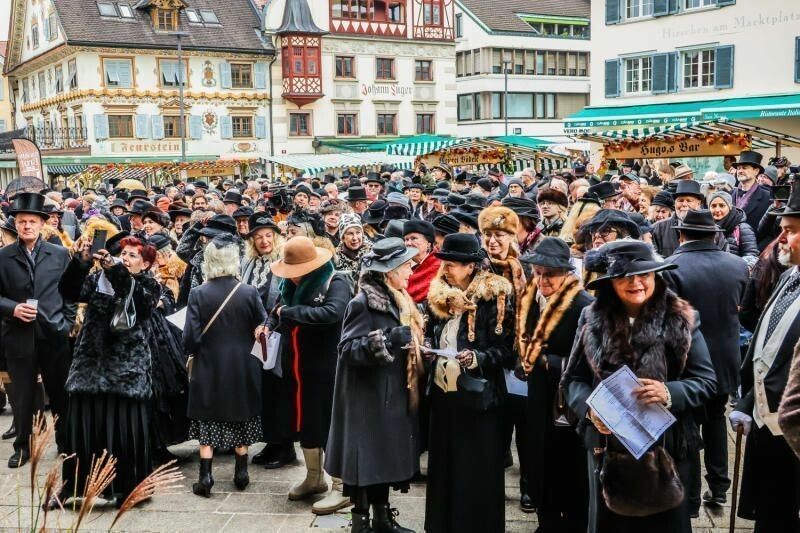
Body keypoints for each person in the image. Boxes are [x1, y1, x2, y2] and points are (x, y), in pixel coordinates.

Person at [563, 240, 716, 533]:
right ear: (611, 282)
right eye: (626, 276)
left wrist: (670, 392)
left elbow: (706, 381)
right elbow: (573, 381)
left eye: (644, 274)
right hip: (607, 449)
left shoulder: (681, 318)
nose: (637, 283)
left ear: (656, 276)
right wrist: (591, 410)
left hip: (667, 448)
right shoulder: (591, 317)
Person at [55, 236, 160, 507]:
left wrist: (114, 268)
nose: (125, 258)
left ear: (145, 264)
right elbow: (68, 291)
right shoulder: (96, 280)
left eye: (133, 256)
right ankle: (70, 489)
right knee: (81, 432)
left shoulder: (148, 284)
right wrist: (82, 261)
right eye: (123, 253)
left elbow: (136, 299)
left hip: (126, 371)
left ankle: (129, 490)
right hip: (90, 366)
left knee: (124, 433)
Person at [324, 238, 422, 530]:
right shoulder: (363, 302)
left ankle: (381, 518)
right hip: (365, 398)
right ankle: (361, 522)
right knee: (364, 462)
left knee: (382, 459)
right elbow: (346, 349)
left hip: (386, 393)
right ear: (388, 271)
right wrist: (388, 339)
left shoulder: (399, 297)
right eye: (405, 266)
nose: (411, 271)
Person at [423, 233, 515, 533]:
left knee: (476, 469)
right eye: (445, 265)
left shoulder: (493, 297)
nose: (445, 270)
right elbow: (432, 332)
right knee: (445, 466)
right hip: (443, 393)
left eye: (451, 265)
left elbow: (505, 349)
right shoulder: (440, 295)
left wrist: (476, 358)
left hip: (479, 398)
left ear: (471, 267)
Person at [661, 210, 749, 516]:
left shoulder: (672, 266)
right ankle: (720, 488)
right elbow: (744, 309)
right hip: (726, 358)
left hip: (688, 362)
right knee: (715, 422)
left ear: (681, 235)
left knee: (689, 431)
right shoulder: (737, 265)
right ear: (715, 236)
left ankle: (693, 499)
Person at [730, 185, 800, 532]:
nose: (781, 237)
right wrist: (747, 401)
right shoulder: (789, 276)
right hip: (766, 426)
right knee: (772, 517)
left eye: (790, 230)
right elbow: (765, 348)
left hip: (794, 434)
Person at [267, 237, 352, 504]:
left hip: (328, 366)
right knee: (307, 420)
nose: (291, 278)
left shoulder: (336, 281)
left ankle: (341, 485)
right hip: (298, 367)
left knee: (330, 421)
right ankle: (314, 478)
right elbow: (278, 309)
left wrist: (290, 313)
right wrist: (269, 322)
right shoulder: (289, 287)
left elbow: (332, 313)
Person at [517, 237, 593, 530]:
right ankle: (546, 520)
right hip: (537, 396)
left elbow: (590, 359)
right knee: (540, 461)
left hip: (567, 402)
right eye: (537, 272)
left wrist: (550, 362)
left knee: (568, 466)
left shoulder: (583, 305)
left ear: (566, 274)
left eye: (550, 274)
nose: (542, 280)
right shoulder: (531, 299)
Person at [184, 234, 267, 497]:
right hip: (243, 366)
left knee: (208, 422)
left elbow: (190, 339)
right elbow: (263, 326)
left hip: (209, 366)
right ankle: (241, 473)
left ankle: (205, 477)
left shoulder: (198, 293)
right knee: (240, 418)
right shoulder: (249, 291)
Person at [0, 193, 73, 467]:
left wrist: (64, 323)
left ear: (42, 224)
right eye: (21, 222)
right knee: (22, 396)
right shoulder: (3, 257)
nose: (26, 226)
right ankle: (22, 447)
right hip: (18, 335)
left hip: (54, 334)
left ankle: (65, 443)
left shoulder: (60, 254)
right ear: (16, 225)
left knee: (60, 394)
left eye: (32, 221)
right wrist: (12, 308)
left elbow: (70, 293)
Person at [240, 214, 294, 468]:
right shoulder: (248, 264)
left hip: (278, 335)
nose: (264, 241)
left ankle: (285, 447)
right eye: (259, 236)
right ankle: (271, 441)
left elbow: (284, 300)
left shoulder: (284, 263)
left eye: (268, 235)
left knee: (278, 391)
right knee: (263, 392)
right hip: (254, 336)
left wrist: (268, 324)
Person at [651, 180, 727, 257]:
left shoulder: (714, 231)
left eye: (689, 201)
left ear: (699, 203)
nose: (684, 204)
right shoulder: (658, 228)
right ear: (674, 203)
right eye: (680, 200)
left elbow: (723, 258)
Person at [707, 190, 758, 266]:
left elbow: (751, 256)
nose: (717, 210)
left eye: (722, 205)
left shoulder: (742, 228)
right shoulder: (705, 227)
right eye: (713, 206)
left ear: (730, 207)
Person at [731, 151, 772, 231]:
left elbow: (771, 230)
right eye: (738, 168)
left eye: (744, 168)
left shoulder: (767, 197)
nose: (740, 171)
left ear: (756, 171)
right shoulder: (729, 195)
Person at [403, 220, 440, 304]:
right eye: (406, 239)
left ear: (428, 243)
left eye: (414, 238)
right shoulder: (400, 265)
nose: (408, 243)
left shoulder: (439, 266)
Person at [334, 213, 372, 283]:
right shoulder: (335, 257)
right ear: (342, 237)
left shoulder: (372, 253)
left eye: (358, 233)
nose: (355, 238)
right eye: (350, 233)